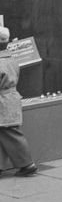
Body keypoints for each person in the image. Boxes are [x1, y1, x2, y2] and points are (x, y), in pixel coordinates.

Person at [0, 27, 38, 176]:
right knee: (5, 132)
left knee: (10, 133)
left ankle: (27, 164)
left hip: (3, 101)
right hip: (11, 98)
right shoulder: (11, 59)